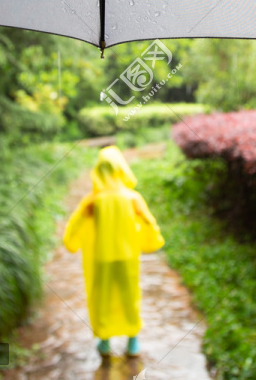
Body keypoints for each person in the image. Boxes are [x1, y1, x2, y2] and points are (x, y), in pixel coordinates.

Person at [64, 146, 165, 358]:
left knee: (102, 298)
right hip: (127, 257)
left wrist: (73, 241)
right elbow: (150, 224)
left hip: (102, 258)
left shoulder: (92, 201)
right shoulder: (132, 198)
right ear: (121, 169)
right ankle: (132, 341)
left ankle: (104, 341)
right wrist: (151, 238)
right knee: (130, 297)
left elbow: (74, 228)